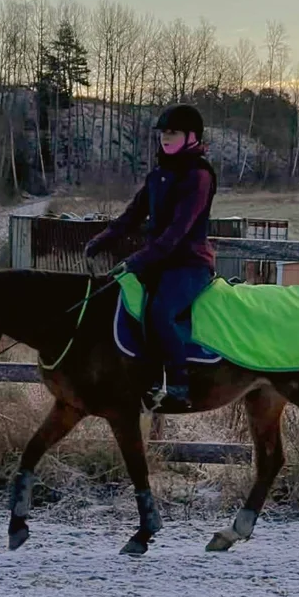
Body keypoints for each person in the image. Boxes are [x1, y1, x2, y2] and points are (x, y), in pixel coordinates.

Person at [85, 104, 216, 407]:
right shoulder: (159, 174)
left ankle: (179, 386)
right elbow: (133, 214)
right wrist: (102, 239)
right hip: (159, 262)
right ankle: (143, 377)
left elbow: (176, 232)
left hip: (190, 264)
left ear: (192, 136)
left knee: (160, 312)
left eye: (173, 133)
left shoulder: (199, 176)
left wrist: (136, 260)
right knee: (123, 304)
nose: (165, 138)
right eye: (163, 133)